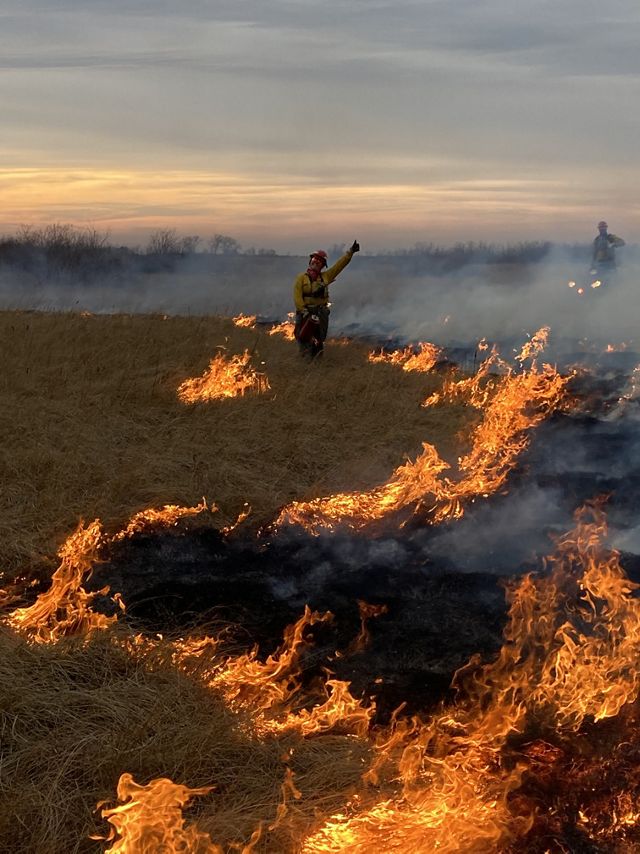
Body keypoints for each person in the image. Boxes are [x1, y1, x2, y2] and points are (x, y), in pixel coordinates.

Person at [293, 240, 360, 358]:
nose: (316, 262)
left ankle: (318, 360)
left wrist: (350, 252)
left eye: (319, 262)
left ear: (322, 266)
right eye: (314, 260)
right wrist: (303, 311)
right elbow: (297, 296)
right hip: (305, 313)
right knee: (303, 337)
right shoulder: (301, 278)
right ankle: (304, 361)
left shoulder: (326, 277)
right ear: (310, 262)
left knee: (319, 339)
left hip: (320, 313)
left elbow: (339, 266)